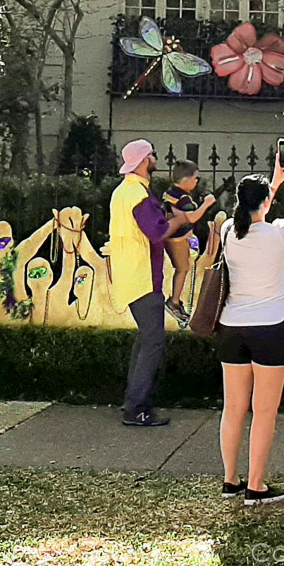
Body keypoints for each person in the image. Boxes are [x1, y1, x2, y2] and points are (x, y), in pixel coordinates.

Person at [217, 153, 284, 506]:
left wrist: (274, 180)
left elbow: (255, 207)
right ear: (266, 203)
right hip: (271, 328)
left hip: (231, 328)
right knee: (264, 411)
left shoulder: (228, 230)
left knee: (234, 408)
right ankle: (256, 485)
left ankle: (230, 480)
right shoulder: (277, 233)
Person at [109, 139, 191, 427]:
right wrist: (180, 221)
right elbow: (157, 233)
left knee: (145, 341)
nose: (156, 158)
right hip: (144, 278)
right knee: (153, 343)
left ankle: (132, 403)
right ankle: (137, 410)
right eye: (153, 155)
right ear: (145, 160)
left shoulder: (123, 192)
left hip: (130, 275)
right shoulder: (139, 196)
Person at [161, 160, 216, 325]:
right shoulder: (182, 198)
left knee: (186, 265)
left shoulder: (171, 193)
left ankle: (177, 301)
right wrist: (206, 204)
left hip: (180, 237)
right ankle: (174, 301)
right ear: (186, 180)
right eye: (195, 178)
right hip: (177, 239)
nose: (197, 182)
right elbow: (191, 217)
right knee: (182, 268)